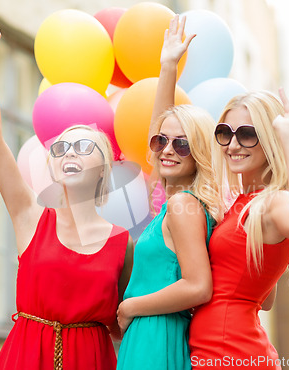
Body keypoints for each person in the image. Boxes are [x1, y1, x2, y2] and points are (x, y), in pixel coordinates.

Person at [157, 15, 289, 370]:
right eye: (224, 133)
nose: (233, 144)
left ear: (269, 141)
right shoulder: (239, 206)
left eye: (246, 134)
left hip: (231, 357)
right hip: (219, 353)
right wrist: (168, 69)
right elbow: (263, 300)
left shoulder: (271, 204)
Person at [0, 15, 133, 370]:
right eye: (61, 149)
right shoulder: (29, 216)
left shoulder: (123, 244)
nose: (69, 153)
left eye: (82, 147)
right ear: (53, 166)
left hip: (92, 361)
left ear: (103, 170)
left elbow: (124, 326)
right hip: (26, 358)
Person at [115, 18, 223, 370]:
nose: (167, 150)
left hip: (155, 332)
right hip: (150, 330)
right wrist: (167, 67)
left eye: (182, 143)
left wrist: (131, 306)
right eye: (161, 141)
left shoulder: (181, 204)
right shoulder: (177, 200)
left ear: (201, 151)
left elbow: (198, 287)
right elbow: (158, 133)